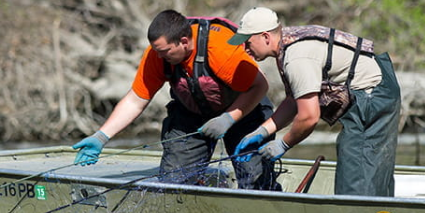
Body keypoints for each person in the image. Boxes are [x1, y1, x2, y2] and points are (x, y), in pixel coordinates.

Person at [72, 9, 280, 190]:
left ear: (183, 42)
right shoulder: (158, 54)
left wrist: (228, 119)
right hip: (191, 115)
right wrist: (101, 136)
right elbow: (136, 100)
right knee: (173, 184)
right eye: (157, 51)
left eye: (165, 52)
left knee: (255, 180)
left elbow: (259, 86)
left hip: (245, 112)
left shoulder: (220, 49)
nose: (159, 57)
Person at [229, 7, 401, 196]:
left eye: (248, 42)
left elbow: (309, 117)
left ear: (266, 37)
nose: (245, 49)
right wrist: (262, 132)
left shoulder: (296, 58)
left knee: (357, 171)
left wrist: (282, 144)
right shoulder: (287, 44)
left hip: (372, 96)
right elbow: (294, 100)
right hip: (374, 91)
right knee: (369, 167)